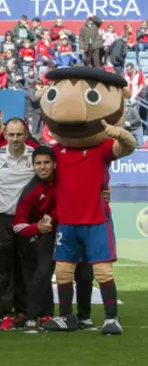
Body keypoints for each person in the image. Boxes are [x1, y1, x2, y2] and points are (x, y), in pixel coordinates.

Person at [39, 68, 137, 335]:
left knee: (103, 271)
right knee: (62, 272)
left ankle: (111, 318)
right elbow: (38, 158)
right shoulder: (56, 151)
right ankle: (66, 317)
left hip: (96, 219)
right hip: (67, 222)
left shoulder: (102, 148)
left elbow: (128, 148)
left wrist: (120, 133)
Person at [13, 146, 96, 332]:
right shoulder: (31, 191)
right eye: (38, 163)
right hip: (49, 236)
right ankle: (32, 317)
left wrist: (102, 194)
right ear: (33, 165)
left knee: (85, 275)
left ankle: (84, 317)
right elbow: (17, 225)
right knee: (42, 274)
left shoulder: (68, 181)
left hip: (76, 232)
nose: (42, 167)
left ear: (55, 164)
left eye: (46, 163)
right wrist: (37, 228)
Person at [0, 118, 36, 330]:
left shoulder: (35, 156)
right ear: (5, 136)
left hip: (27, 221)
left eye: (19, 134)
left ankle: (26, 311)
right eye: (11, 135)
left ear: (25, 134)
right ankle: (4, 313)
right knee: (3, 269)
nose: (15, 139)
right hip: (2, 219)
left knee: (27, 268)